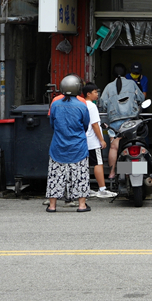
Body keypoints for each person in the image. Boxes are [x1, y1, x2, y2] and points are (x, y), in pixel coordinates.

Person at [45, 75, 92, 213]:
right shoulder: (81, 105)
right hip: (78, 146)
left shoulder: (55, 104)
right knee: (80, 175)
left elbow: (52, 124)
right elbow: (85, 124)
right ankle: (82, 205)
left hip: (58, 146)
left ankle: (52, 206)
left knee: (55, 175)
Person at [99, 63, 144, 185]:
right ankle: (132, 171)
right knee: (131, 145)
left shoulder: (108, 87)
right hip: (131, 120)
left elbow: (102, 104)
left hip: (114, 121)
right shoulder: (132, 84)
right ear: (126, 73)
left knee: (114, 147)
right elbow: (141, 98)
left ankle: (112, 173)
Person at [82, 82, 116, 200]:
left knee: (84, 165)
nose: (97, 94)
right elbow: (95, 125)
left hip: (83, 140)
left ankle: (84, 188)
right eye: (95, 92)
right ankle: (102, 189)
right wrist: (102, 140)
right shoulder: (91, 106)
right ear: (88, 94)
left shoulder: (81, 104)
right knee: (98, 163)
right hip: (93, 140)